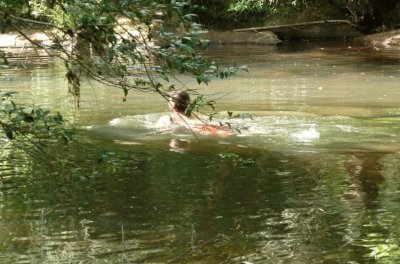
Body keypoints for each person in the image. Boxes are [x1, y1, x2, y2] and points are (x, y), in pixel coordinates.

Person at [156, 90, 233, 136]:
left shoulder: (167, 118)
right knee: (224, 129)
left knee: (222, 133)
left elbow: (160, 129)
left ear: (173, 105)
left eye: (169, 101)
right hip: (201, 125)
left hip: (193, 127)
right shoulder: (192, 114)